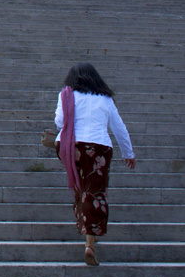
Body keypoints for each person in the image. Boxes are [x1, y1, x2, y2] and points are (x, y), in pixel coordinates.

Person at [54, 62, 136, 265]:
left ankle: (84, 223)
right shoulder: (105, 99)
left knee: (81, 189)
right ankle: (90, 243)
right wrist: (129, 152)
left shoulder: (67, 94)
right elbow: (118, 127)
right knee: (95, 192)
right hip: (99, 148)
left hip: (73, 148)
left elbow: (59, 122)